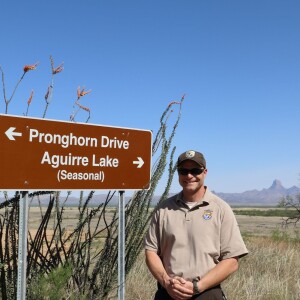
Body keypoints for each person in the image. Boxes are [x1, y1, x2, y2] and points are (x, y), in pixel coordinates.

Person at [144, 150, 248, 300]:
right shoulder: (163, 209)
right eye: (183, 171)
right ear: (178, 174)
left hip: (207, 293)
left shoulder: (220, 208)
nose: (189, 176)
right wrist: (167, 282)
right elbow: (150, 252)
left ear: (205, 172)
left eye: (195, 170)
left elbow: (232, 260)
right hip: (168, 292)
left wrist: (197, 286)